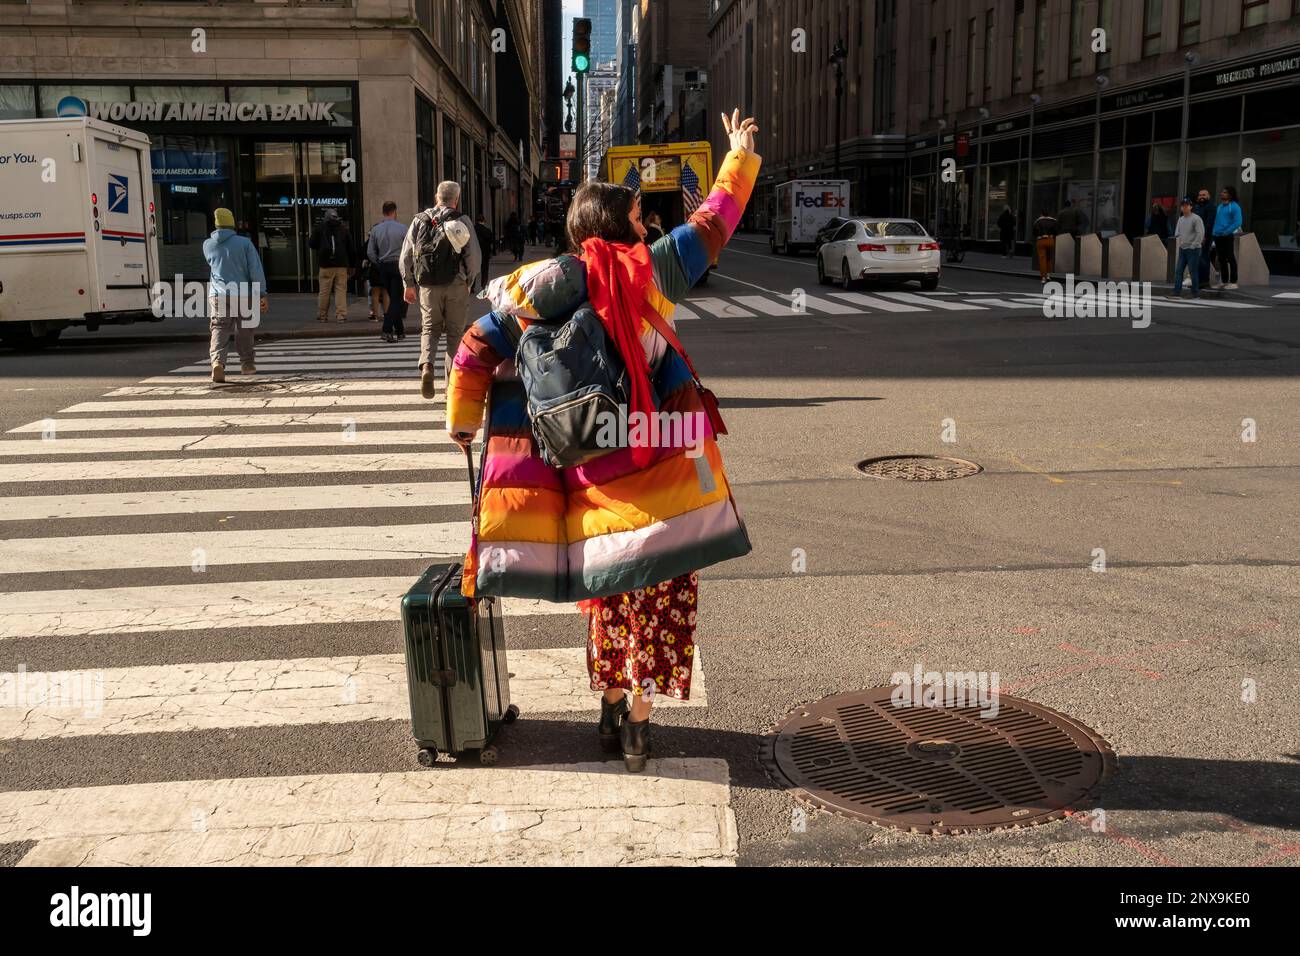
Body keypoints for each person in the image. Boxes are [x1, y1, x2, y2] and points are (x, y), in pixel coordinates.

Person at [445, 108, 761, 773]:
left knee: (612, 598)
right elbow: (715, 222)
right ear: (624, 222)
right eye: (642, 214)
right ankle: (639, 729)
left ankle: (611, 704)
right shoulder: (655, 269)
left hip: (588, 477)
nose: (648, 223)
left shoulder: (540, 285)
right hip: (663, 474)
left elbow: (475, 345)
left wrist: (463, 420)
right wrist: (739, 154)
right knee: (661, 600)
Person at [400, 181, 482, 400]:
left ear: (437, 197)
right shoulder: (461, 220)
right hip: (456, 283)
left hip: (427, 285)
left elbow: (406, 255)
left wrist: (408, 283)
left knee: (430, 329)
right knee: (455, 333)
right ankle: (451, 385)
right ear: (456, 199)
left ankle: (427, 365)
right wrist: (470, 280)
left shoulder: (420, 220)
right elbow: (473, 256)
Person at [202, 207, 267, 383]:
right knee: (245, 329)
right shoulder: (245, 243)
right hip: (245, 294)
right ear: (232, 223)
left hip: (218, 294)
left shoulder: (208, 244)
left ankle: (218, 362)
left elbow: (212, 264)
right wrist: (261, 293)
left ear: (216, 224)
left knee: (219, 328)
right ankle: (247, 364)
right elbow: (255, 270)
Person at [367, 201, 408, 343]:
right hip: (398, 265)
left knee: (393, 298)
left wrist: (378, 263)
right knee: (396, 299)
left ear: (383, 212)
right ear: (394, 211)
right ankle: (387, 329)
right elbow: (409, 250)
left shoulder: (376, 230)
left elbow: (370, 252)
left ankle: (400, 330)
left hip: (383, 266)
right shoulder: (403, 228)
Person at [308, 208, 356, 322]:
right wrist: (352, 265)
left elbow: (311, 244)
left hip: (325, 265)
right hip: (341, 265)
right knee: (340, 290)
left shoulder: (319, 228)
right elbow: (351, 249)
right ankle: (341, 315)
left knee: (324, 291)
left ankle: (322, 315)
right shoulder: (343, 229)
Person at [1170, 197, 1205, 299]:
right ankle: (1176, 291)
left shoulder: (1196, 218)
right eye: (1183, 205)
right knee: (1179, 271)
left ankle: (1195, 293)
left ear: (1191, 206)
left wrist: (1194, 245)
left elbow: (1200, 233)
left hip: (1193, 249)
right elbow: (1177, 233)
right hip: (1183, 248)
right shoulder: (1181, 219)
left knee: (1193, 271)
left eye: (1187, 205)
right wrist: (1181, 242)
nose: (1185, 207)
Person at [1211, 186, 1243, 290]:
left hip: (1227, 236)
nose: (1222, 194)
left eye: (1225, 192)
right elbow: (1217, 220)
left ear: (1230, 194)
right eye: (1222, 192)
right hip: (1217, 235)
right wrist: (1214, 232)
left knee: (1230, 257)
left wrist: (1227, 231)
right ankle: (1224, 281)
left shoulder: (1234, 206)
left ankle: (1233, 282)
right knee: (1221, 259)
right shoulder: (1220, 206)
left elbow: (1238, 222)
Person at [1192, 188, 1218, 289]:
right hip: (1195, 236)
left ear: (1208, 196)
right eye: (1200, 195)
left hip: (1205, 236)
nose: (1201, 197)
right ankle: (1198, 281)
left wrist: (1203, 236)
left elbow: (1209, 224)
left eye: (1204, 195)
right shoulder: (1197, 207)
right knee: (1197, 259)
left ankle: (1205, 281)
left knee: (1203, 257)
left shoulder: (1211, 207)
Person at [1032, 209, 1058, 282]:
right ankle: (1048, 275)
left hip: (1041, 240)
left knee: (1042, 259)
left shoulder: (1037, 221)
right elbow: (1056, 231)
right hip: (1050, 240)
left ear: (1041, 214)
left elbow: (1034, 232)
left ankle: (1043, 277)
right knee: (1049, 258)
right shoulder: (1054, 221)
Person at [474, 214, 495, 290]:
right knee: (484, 269)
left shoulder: (472, 230)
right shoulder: (487, 230)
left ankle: (472, 287)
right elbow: (492, 240)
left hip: (475, 252)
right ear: (484, 221)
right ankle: (483, 285)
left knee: (474, 270)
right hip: (485, 252)